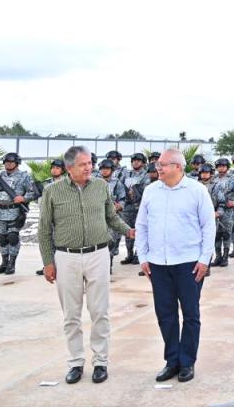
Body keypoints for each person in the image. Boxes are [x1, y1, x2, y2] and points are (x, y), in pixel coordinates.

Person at [38, 145, 134, 385]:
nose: (89, 167)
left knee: (100, 311)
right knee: (71, 315)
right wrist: (48, 262)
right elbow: (44, 230)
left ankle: (100, 362)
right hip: (66, 257)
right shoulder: (52, 191)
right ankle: (75, 363)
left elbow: (111, 217)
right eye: (83, 164)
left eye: (90, 163)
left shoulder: (101, 186)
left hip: (98, 254)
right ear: (69, 168)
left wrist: (129, 231)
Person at [136, 148, 217, 384]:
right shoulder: (151, 191)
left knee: (191, 314)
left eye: (162, 165)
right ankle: (172, 361)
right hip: (158, 263)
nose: (157, 168)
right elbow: (142, 225)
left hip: (189, 263)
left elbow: (208, 226)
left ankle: (187, 361)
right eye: (158, 165)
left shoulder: (197, 190)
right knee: (165, 314)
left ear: (178, 167)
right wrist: (143, 257)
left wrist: (204, 259)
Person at [0, 152, 37, 275]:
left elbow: (33, 192)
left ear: (17, 163)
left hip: (15, 212)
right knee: (2, 238)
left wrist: (23, 198)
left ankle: (11, 264)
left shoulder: (24, 177)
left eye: (11, 162)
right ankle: (4, 263)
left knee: (12, 237)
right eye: (6, 162)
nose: (8, 164)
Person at [120, 153, 149, 265]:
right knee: (128, 231)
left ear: (143, 162)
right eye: (134, 160)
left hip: (140, 207)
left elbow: (146, 189)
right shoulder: (126, 174)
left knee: (140, 232)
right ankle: (129, 254)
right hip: (128, 207)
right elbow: (121, 186)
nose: (135, 162)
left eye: (138, 160)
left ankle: (138, 255)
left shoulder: (146, 175)